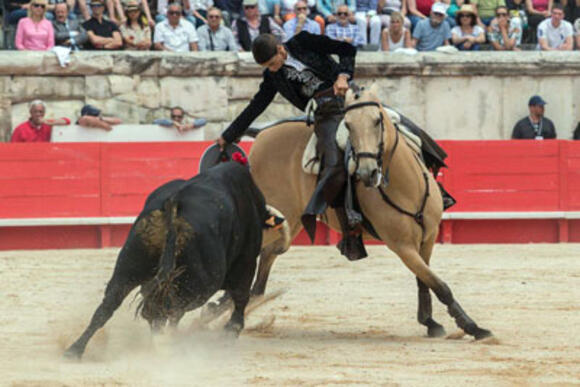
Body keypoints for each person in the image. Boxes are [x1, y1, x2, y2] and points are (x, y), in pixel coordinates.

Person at [216, 32, 365, 260]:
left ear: (281, 50)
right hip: (326, 115)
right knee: (332, 163)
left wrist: (343, 75)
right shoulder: (273, 77)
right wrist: (229, 135)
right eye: (267, 67)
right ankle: (350, 231)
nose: (272, 69)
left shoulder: (304, 41)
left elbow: (347, 50)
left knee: (397, 126)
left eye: (272, 63)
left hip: (349, 97)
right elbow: (256, 106)